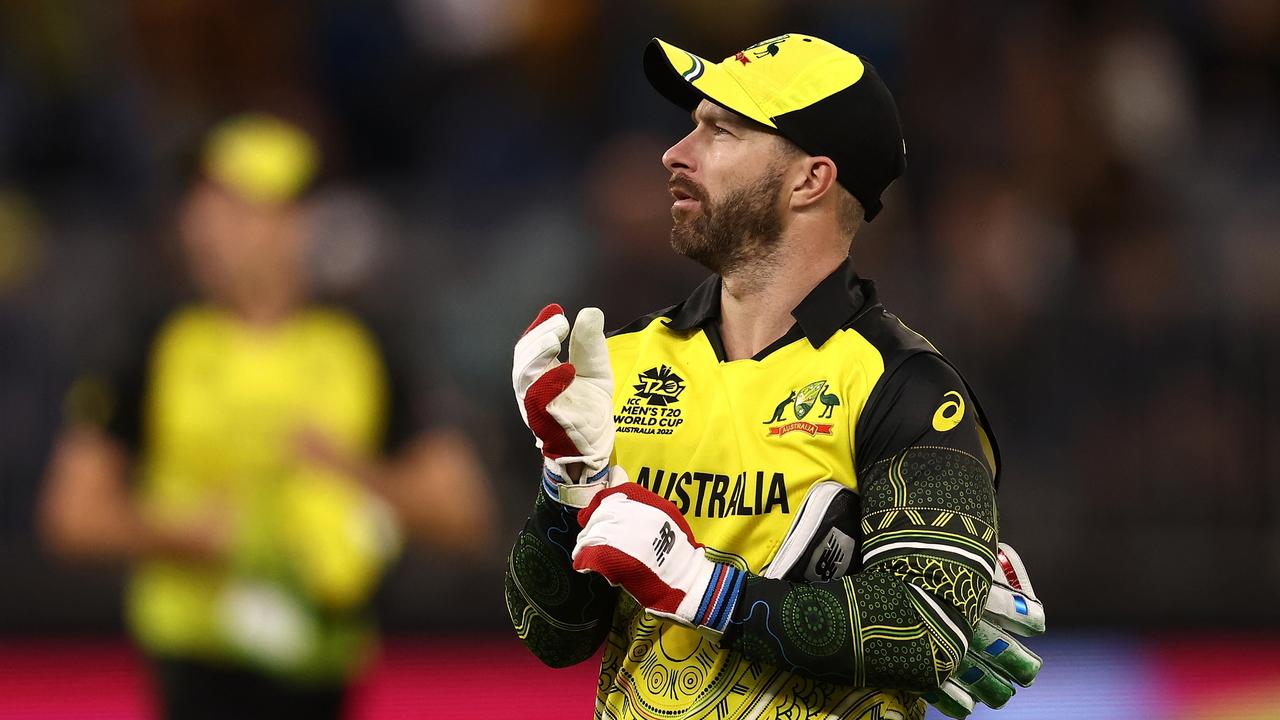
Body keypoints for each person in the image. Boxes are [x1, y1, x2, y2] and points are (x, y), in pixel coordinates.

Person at [506, 34, 1045, 720]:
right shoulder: (622, 362)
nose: (675, 153)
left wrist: (706, 591)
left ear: (810, 179)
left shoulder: (907, 387)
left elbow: (924, 630)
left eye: (720, 131)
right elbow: (552, 636)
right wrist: (566, 481)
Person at [40, 114, 497, 720]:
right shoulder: (153, 342)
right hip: (190, 664)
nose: (209, 230)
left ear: (296, 222)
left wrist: (351, 474)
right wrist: (185, 535)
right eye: (204, 208)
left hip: (323, 664)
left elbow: (464, 514)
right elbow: (71, 515)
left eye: (238, 210)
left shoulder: (363, 344)